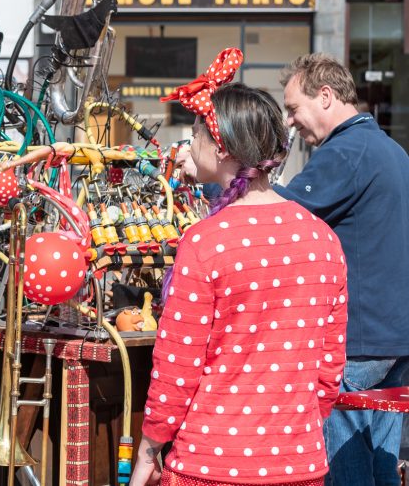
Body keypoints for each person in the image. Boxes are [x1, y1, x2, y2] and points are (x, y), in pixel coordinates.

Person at [131, 50, 348, 486]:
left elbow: (177, 368)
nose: (189, 146)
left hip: (211, 464)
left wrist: (149, 449)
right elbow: (328, 373)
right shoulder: (324, 239)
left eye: (195, 136)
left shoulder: (206, 242)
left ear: (222, 146)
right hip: (299, 463)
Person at [276, 53, 409, 486]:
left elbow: (280, 215)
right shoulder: (390, 149)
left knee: (347, 472)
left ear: (326, 96)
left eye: (294, 108)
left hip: (358, 339)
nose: (291, 122)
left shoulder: (346, 151)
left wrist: (222, 180)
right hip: (396, 337)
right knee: (383, 468)